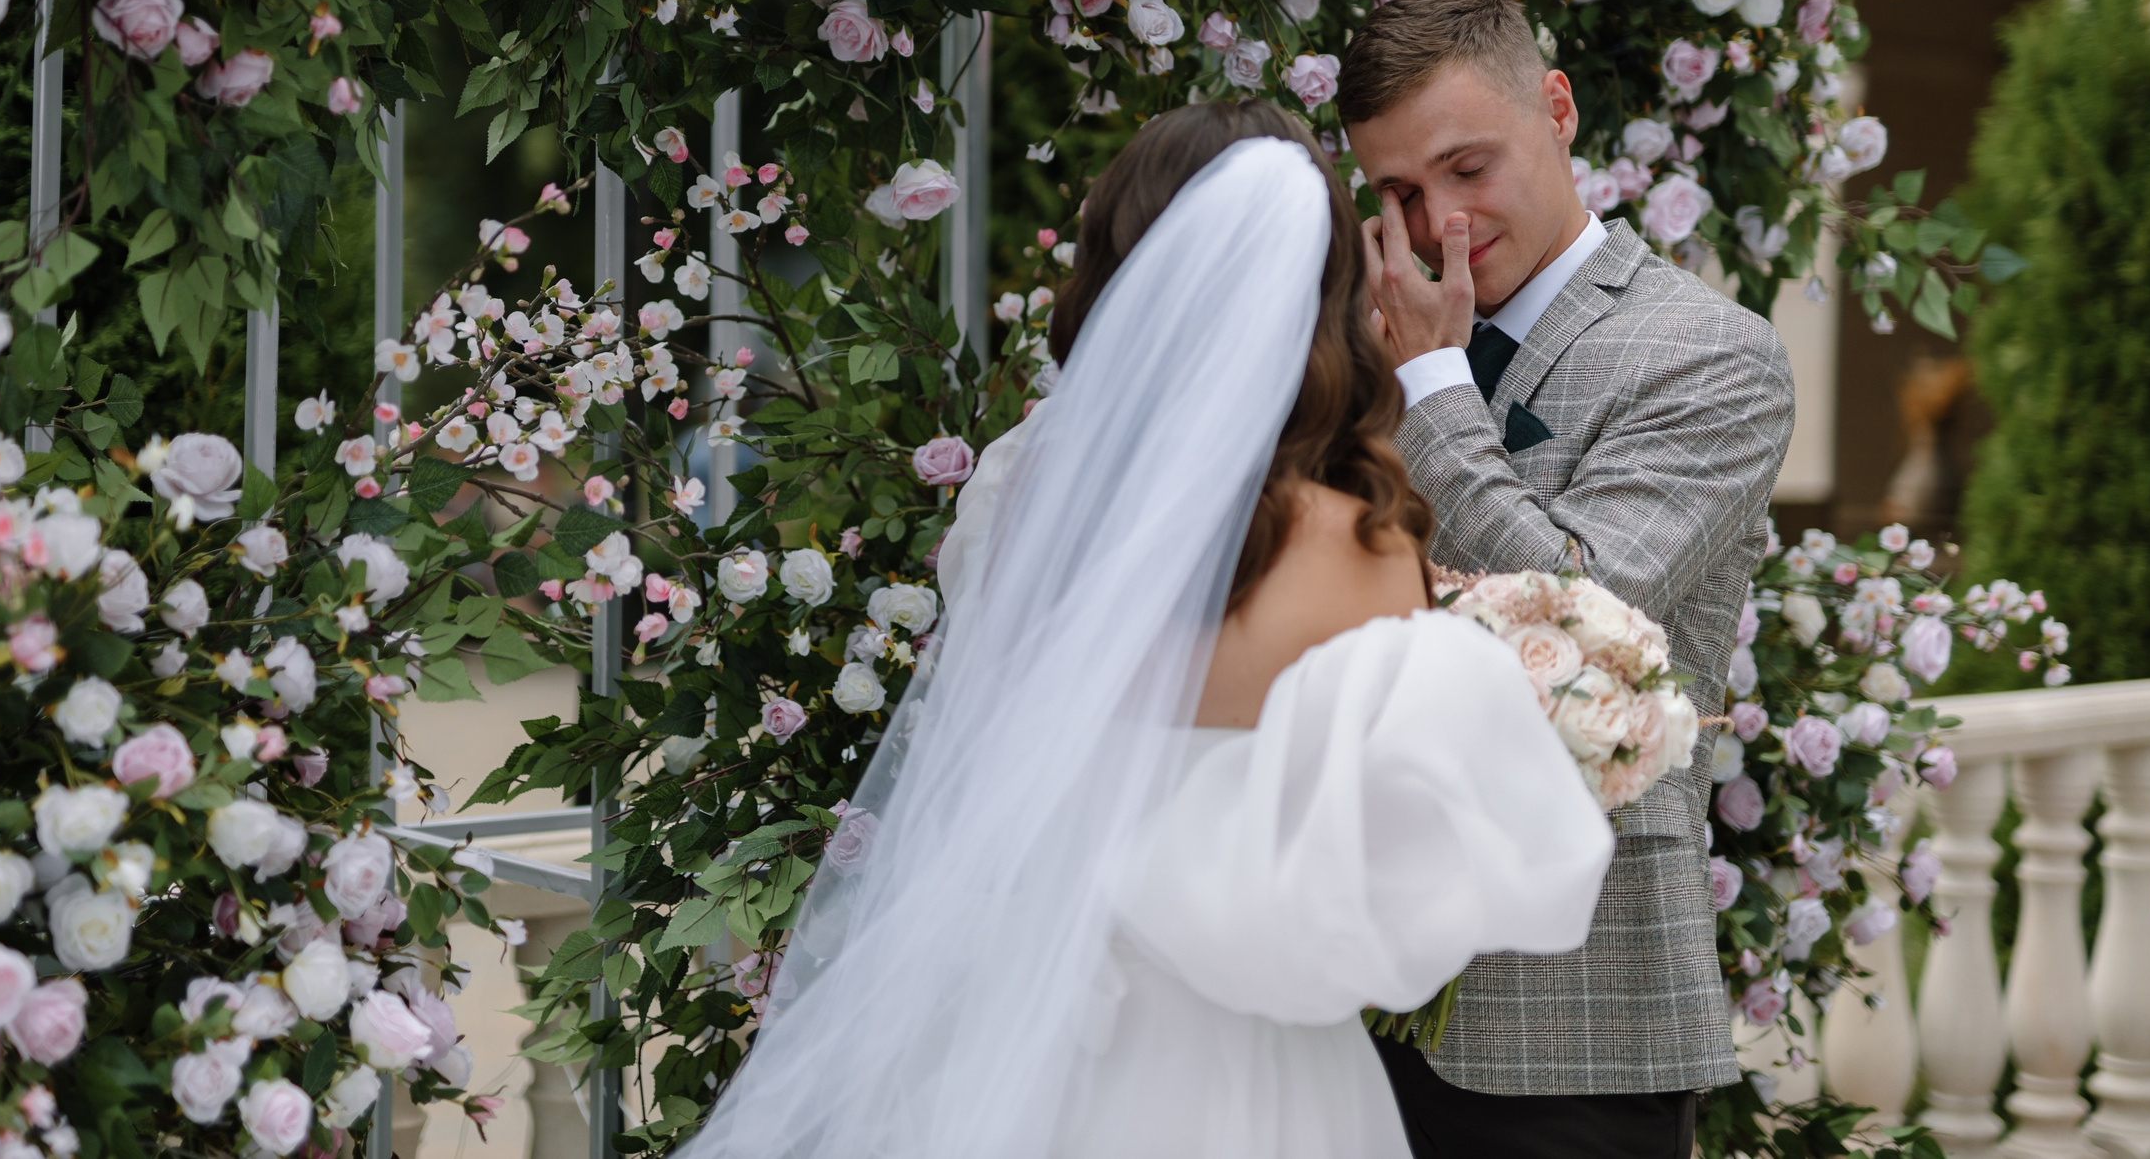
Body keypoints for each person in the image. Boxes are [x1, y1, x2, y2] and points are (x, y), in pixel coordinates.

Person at [679, 103, 1614, 1159]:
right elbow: (1384, 916)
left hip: (1019, 1035)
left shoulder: (1017, 498)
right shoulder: (1354, 542)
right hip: (1246, 1073)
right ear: (1325, 298)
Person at [1340, 0, 1798, 1159]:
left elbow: (1587, 619)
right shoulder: (1355, 341)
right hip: (1335, 994)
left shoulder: (1709, 354)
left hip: (1567, 1025)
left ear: (1556, 108)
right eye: (1397, 192)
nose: (1439, 220)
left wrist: (1433, 387)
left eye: (1467, 169)